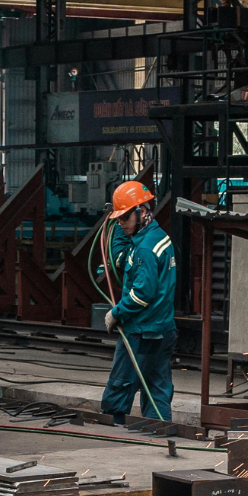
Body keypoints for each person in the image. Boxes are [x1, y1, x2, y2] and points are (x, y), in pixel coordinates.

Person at [100, 181, 177, 424]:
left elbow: (142, 294)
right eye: (118, 219)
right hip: (163, 330)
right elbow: (122, 260)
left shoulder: (144, 249)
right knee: (157, 387)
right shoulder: (156, 237)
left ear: (142, 212)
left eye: (124, 218)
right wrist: (117, 227)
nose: (121, 223)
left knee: (121, 384)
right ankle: (159, 433)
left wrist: (117, 313)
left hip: (142, 332)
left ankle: (113, 432)